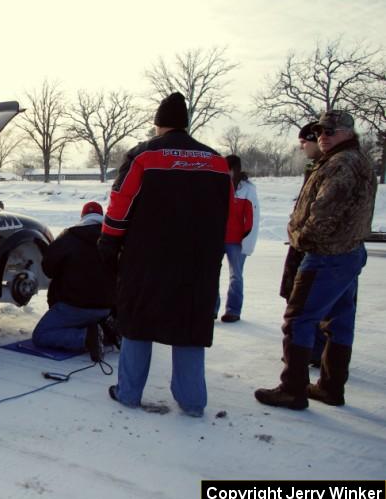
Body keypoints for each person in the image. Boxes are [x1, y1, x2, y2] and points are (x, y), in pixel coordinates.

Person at [99, 92, 232, 417]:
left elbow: (120, 203)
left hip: (147, 258)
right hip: (198, 261)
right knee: (189, 325)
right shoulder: (216, 161)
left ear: (158, 124)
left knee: (138, 323)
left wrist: (109, 241)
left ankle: (129, 393)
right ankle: (192, 401)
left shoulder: (143, 156)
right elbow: (228, 211)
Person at [255, 110, 376, 410]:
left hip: (326, 255)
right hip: (347, 252)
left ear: (348, 133)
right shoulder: (355, 160)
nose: (323, 136)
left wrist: (302, 238)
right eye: (321, 131)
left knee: (299, 319)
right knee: (339, 321)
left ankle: (292, 389)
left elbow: (324, 212)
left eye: (330, 132)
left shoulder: (341, 164)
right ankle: (331, 386)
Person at [32, 201, 115, 362]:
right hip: (106, 308)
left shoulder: (68, 237)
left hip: (72, 307)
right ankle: (107, 329)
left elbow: (48, 270)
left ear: (82, 216)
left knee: (42, 335)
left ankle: (87, 338)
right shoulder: (114, 240)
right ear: (101, 217)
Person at [279, 122, 327, 366]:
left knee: (307, 307)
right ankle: (310, 351)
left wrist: (302, 236)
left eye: (304, 142)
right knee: (299, 300)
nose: (302, 147)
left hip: (315, 248)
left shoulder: (334, 167)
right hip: (304, 246)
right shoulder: (315, 167)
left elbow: (321, 212)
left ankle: (309, 353)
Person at [215, 154, 258, 323]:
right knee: (212, 274)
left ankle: (233, 310)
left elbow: (252, 216)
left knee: (236, 276)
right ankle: (211, 308)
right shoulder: (217, 185)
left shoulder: (247, 188)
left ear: (234, 169)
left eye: (228, 169)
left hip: (237, 241)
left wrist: (247, 239)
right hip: (217, 238)